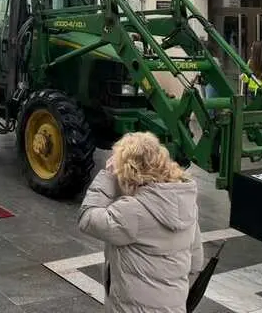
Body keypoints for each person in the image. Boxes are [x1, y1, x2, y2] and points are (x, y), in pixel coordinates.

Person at [79, 132, 204, 313]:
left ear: (128, 171)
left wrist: (107, 176)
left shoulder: (133, 211)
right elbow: (195, 263)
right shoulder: (185, 204)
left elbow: (87, 218)